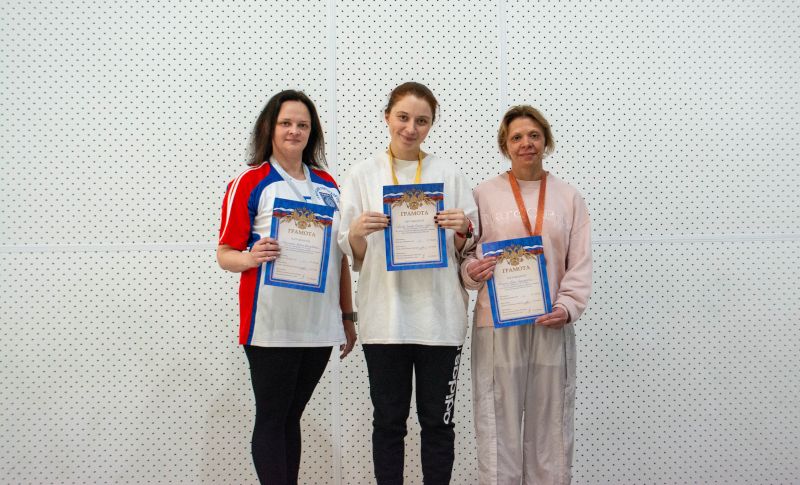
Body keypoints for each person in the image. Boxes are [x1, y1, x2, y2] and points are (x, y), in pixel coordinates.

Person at [337, 82, 478, 485]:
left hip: (440, 320)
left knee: (438, 425)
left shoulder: (449, 174)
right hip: (385, 319)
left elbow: (468, 246)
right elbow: (353, 253)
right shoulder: (362, 174)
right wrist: (358, 231)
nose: (411, 128)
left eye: (422, 120)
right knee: (388, 424)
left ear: (431, 125)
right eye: (403, 117)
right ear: (387, 117)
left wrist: (462, 229)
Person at [216, 90, 357, 485]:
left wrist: (347, 317)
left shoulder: (329, 185)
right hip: (271, 324)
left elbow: (340, 258)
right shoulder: (250, 181)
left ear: (312, 132)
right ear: (270, 128)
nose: (294, 131)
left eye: (302, 125)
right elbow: (225, 254)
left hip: (318, 324)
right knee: (273, 416)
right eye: (286, 123)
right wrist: (251, 257)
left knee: (291, 416)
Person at [461, 105, 592, 485]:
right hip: (497, 324)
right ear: (505, 145)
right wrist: (471, 271)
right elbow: (465, 255)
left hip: (551, 322)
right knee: (495, 422)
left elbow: (579, 261)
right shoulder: (483, 194)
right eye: (517, 137)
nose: (526, 143)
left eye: (534, 135)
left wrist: (567, 307)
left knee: (551, 426)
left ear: (546, 140)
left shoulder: (569, 198)